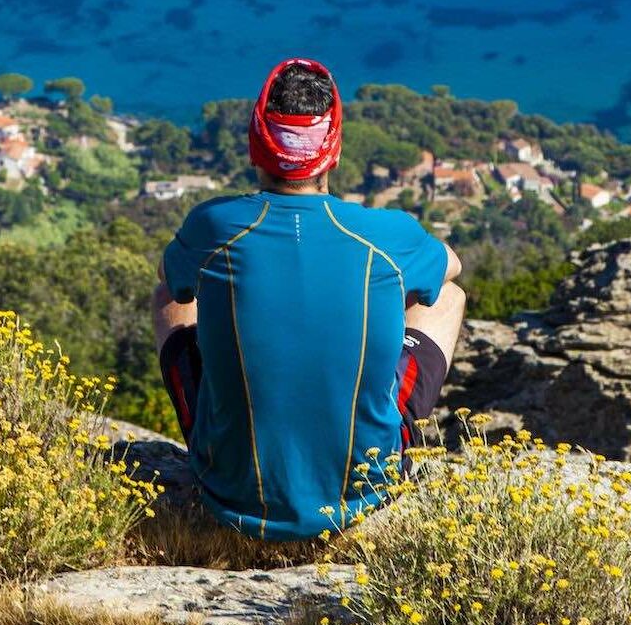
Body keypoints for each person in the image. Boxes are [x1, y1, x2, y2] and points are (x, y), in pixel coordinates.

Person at [153, 57, 465, 541]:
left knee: (172, 297)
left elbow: (170, 280)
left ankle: (219, 432)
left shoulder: (212, 226)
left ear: (257, 144)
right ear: (334, 149)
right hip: (365, 491)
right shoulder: (386, 235)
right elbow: (452, 266)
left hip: (228, 490)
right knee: (445, 298)